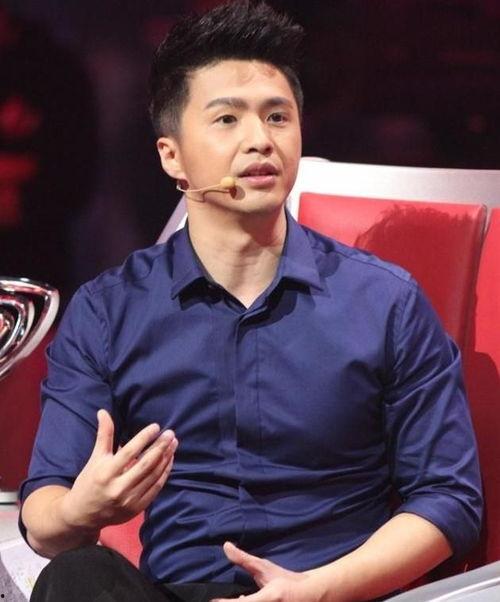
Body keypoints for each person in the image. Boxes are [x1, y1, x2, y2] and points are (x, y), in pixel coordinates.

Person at [20, 2, 482, 601]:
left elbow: (449, 498)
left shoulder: (385, 302)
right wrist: (80, 509)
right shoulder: (110, 310)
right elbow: (44, 517)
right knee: (74, 575)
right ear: (171, 156)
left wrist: (314, 591)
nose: (260, 140)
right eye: (227, 119)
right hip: (173, 592)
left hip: (329, 591)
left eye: (277, 117)